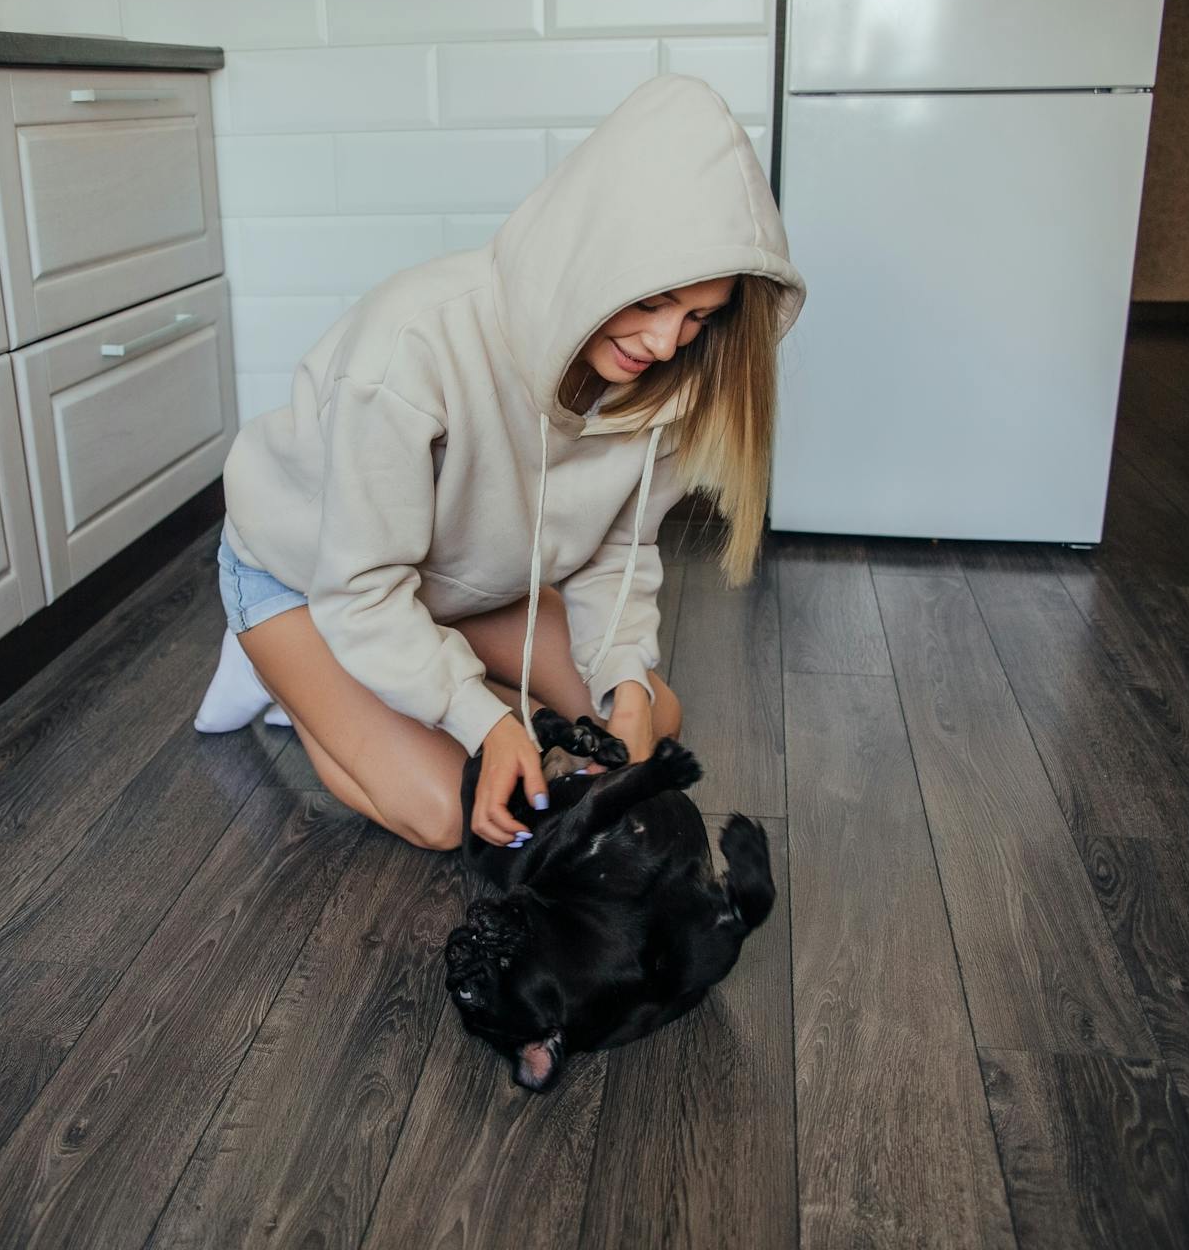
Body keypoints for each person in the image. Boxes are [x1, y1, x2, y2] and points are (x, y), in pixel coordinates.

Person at [194, 74, 805, 851]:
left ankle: (402, 682)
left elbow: (617, 555)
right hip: (315, 579)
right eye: (650, 302)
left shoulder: (666, 383)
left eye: (697, 317)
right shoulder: (414, 344)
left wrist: (617, 674)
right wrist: (486, 723)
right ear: (591, 252)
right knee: (449, 814)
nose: (665, 343)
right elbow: (364, 590)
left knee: (650, 710)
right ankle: (282, 675)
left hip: (457, 580)